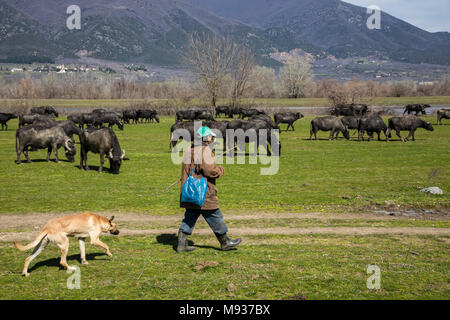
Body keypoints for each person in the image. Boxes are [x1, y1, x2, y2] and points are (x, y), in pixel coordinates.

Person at [177, 126, 242, 252]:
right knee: (215, 214)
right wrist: (220, 170)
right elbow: (210, 171)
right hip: (204, 193)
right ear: (206, 138)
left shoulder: (188, 150)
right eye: (211, 137)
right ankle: (225, 242)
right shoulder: (204, 151)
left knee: (190, 215)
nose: (212, 140)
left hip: (189, 192)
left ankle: (181, 244)